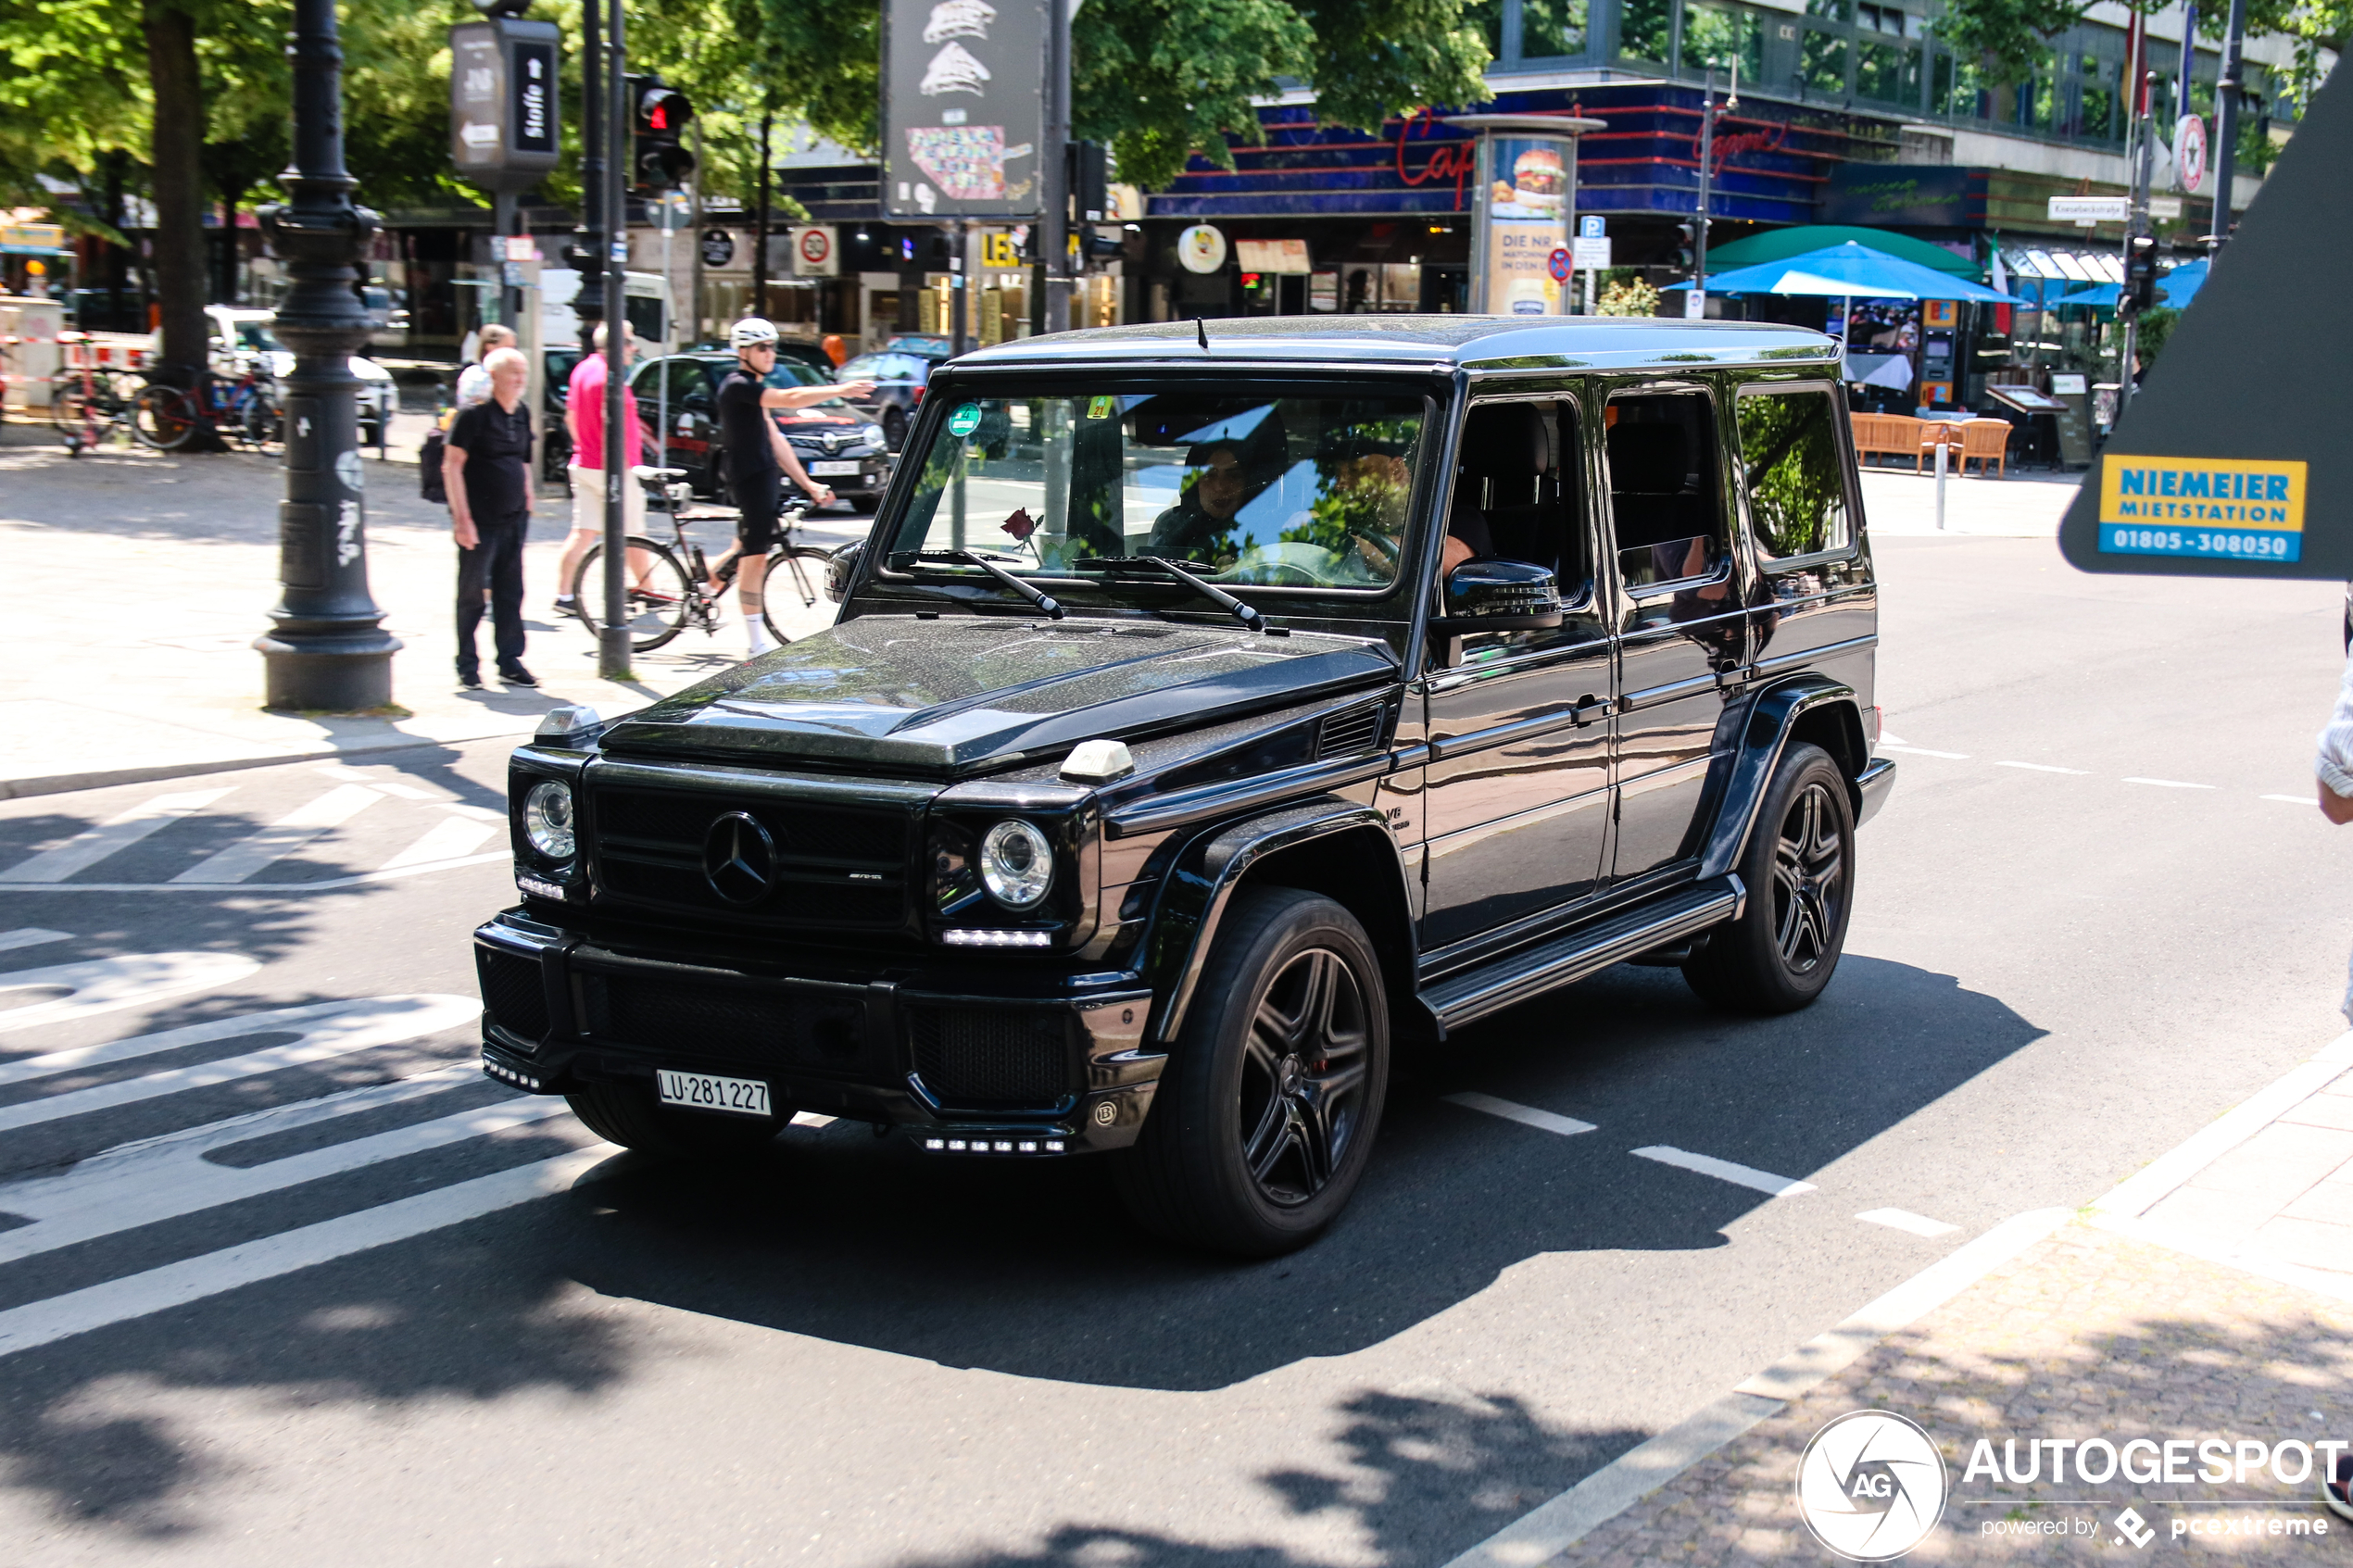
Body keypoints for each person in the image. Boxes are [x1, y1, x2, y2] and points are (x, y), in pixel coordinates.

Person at [711, 317, 875, 658]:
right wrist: (840, 390)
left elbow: (778, 443)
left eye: (772, 347)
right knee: (754, 559)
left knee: (746, 546)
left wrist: (809, 483)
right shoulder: (737, 385)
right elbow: (792, 397)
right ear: (743, 352)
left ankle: (703, 593)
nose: (769, 353)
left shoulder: (754, 396)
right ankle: (755, 642)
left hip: (765, 477)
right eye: (761, 347)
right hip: (749, 479)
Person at [443, 346, 535, 690]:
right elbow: (451, 465)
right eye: (514, 373)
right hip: (480, 520)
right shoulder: (473, 415)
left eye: (523, 373)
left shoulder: (521, 413)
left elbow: (523, 459)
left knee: (511, 591)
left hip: (514, 518)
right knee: (471, 594)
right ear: (494, 376)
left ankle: (510, 661)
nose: (520, 380)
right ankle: (467, 664)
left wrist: (528, 495)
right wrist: (461, 519)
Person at [554, 322, 646, 621]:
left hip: (585, 462)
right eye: (630, 341)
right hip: (614, 468)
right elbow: (613, 425)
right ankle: (649, 590)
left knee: (582, 533)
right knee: (634, 533)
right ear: (616, 343)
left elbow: (570, 416)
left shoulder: (582, 370)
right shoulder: (611, 378)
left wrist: (585, 444)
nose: (634, 348)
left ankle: (565, 594)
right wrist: (619, 463)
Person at [1148, 442, 1254, 564]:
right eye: (1209, 475)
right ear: (1194, 485)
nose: (1220, 487)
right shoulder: (1169, 525)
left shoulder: (1261, 532)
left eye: (1233, 476)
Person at [454, 323, 516, 409]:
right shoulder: (476, 376)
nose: (513, 352)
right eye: (507, 347)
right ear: (490, 347)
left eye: (513, 348)